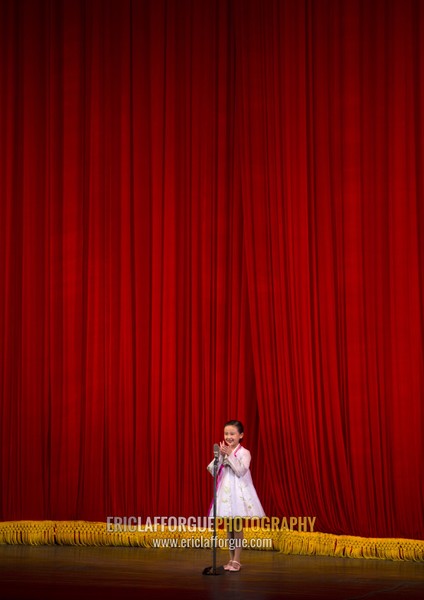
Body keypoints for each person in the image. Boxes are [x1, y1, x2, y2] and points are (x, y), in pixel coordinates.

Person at [207, 420, 265, 572]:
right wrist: (219, 456)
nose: (228, 436)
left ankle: (237, 560)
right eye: (226, 433)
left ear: (241, 435)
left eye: (232, 433)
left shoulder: (244, 453)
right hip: (226, 492)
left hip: (239, 493)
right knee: (229, 528)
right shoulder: (224, 450)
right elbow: (212, 470)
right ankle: (231, 558)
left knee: (237, 526)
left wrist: (230, 455)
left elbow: (241, 471)